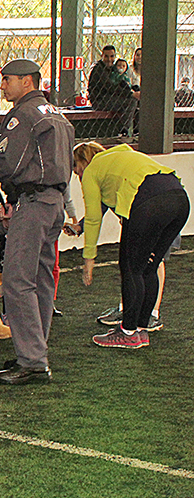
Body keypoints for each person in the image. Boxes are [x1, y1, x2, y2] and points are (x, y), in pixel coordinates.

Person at [0, 59, 75, 385]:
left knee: (17, 280)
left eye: (7, 80)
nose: (2, 85)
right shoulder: (58, 115)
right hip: (54, 202)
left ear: (26, 81)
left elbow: (11, 161)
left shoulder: (24, 115)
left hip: (32, 203)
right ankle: (35, 349)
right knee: (42, 278)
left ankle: (32, 360)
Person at [74, 142, 188, 349]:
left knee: (131, 268)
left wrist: (89, 258)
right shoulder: (123, 155)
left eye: (77, 170)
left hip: (149, 204)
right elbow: (107, 205)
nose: (78, 175)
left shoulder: (92, 171)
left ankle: (127, 332)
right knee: (149, 267)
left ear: (83, 163)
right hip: (180, 199)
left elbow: (93, 217)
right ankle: (141, 329)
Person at [87, 45, 136, 135]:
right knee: (131, 101)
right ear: (102, 56)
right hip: (100, 101)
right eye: (106, 56)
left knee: (136, 100)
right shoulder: (98, 69)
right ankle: (123, 131)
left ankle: (134, 130)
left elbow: (120, 83)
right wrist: (130, 94)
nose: (109, 59)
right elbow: (110, 87)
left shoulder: (113, 70)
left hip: (110, 98)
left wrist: (133, 90)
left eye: (112, 56)